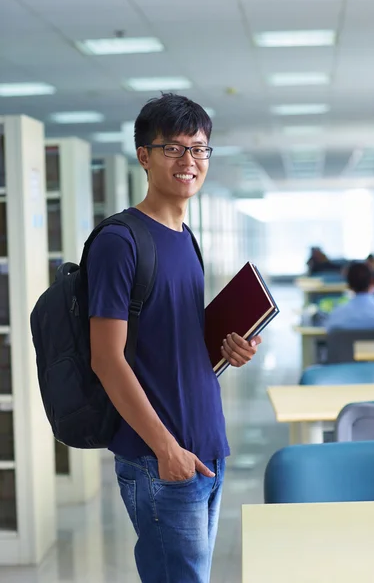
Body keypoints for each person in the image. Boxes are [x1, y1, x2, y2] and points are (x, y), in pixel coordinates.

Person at [86, 94, 262, 583]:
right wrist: (166, 449)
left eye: (200, 149)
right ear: (144, 155)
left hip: (206, 446)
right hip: (158, 456)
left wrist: (230, 347)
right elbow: (108, 359)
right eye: (173, 149)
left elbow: (176, 343)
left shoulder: (186, 238)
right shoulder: (120, 241)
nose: (189, 162)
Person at [325, 261, 374, 332]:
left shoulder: (336, 316)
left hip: (346, 345)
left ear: (348, 285)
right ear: (372, 282)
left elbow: (327, 331)